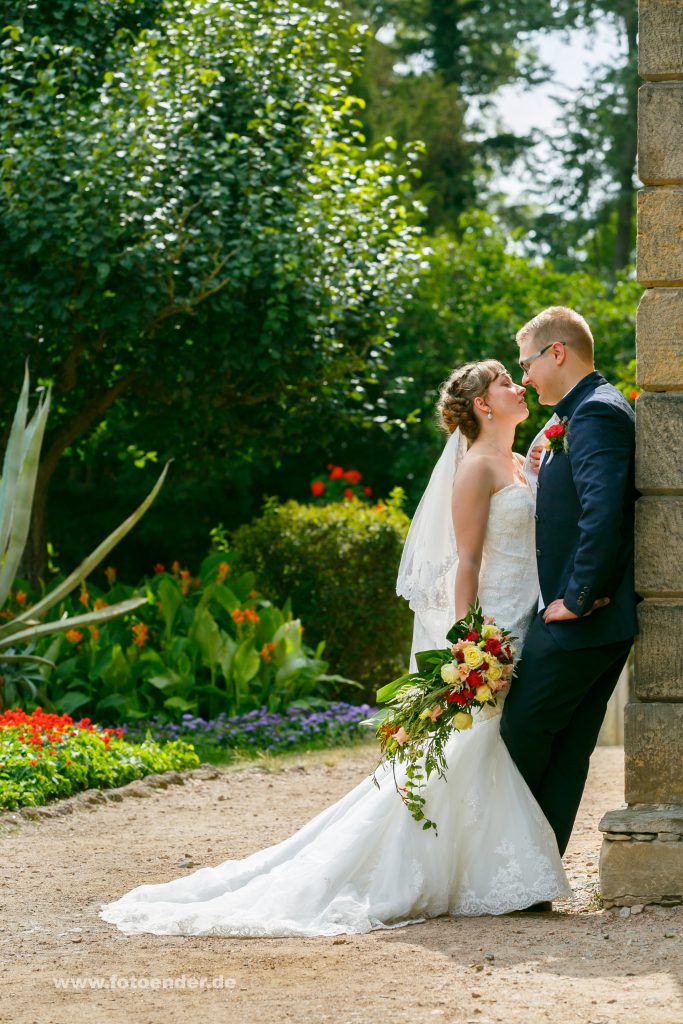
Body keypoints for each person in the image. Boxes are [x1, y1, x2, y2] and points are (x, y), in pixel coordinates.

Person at [99, 359, 571, 939]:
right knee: (469, 748)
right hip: (493, 633)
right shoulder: (475, 469)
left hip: (525, 619)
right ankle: (427, 874)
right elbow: (466, 563)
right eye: (504, 382)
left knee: (478, 751)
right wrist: (469, 644)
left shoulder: (517, 462)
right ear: (482, 406)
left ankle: (478, 872)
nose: (517, 386)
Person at [500, 307, 637, 908]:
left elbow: (603, 512)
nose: (524, 377)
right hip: (593, 619)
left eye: (527, 362)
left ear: (557, 353)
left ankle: (514, 878)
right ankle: (532, 884)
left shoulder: (597, 412)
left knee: (522, 732)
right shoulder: (575, 416)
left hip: (583, 617)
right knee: (564, 746)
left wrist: (577, 599)